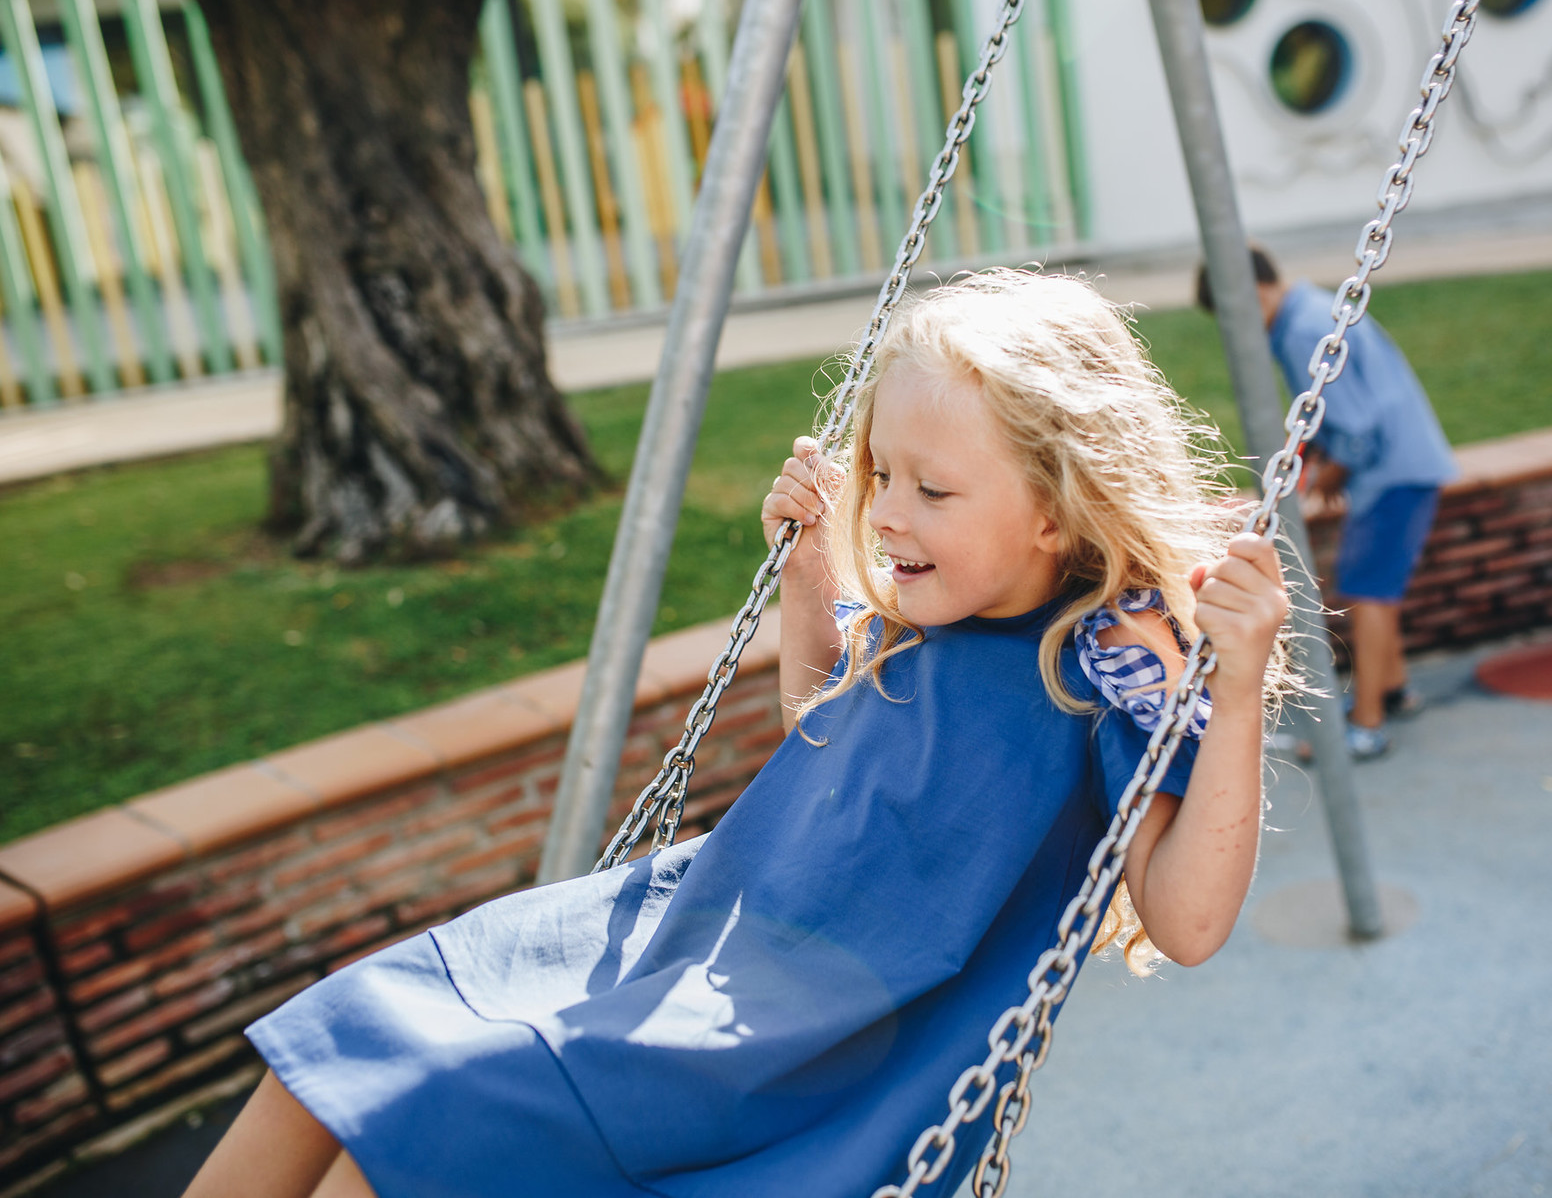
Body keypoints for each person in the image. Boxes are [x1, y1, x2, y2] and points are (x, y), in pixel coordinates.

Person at [182, 271, 1294, 1198]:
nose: (891, 514)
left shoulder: (1103, 657)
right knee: (343, 1044)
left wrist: (1235, 689)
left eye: (933, 489)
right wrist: (811, 574)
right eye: (880, 476)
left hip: (804, 1030)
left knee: (415, 1129)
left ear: (1055, 505)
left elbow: (1188, 922)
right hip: (711, 919)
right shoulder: (934, 606)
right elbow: (828, 739)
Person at [1198, 248, 1456, 760]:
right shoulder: (1316, 307)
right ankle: (1393, 688)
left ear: (1248, 295)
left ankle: (1366, 725)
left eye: (1230, 316)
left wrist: (1334, 468)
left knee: (1368, 591)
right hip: (1410, 461)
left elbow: (1354, 426)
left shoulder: (1297, 331)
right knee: (1378, 586)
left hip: (1388, 472)